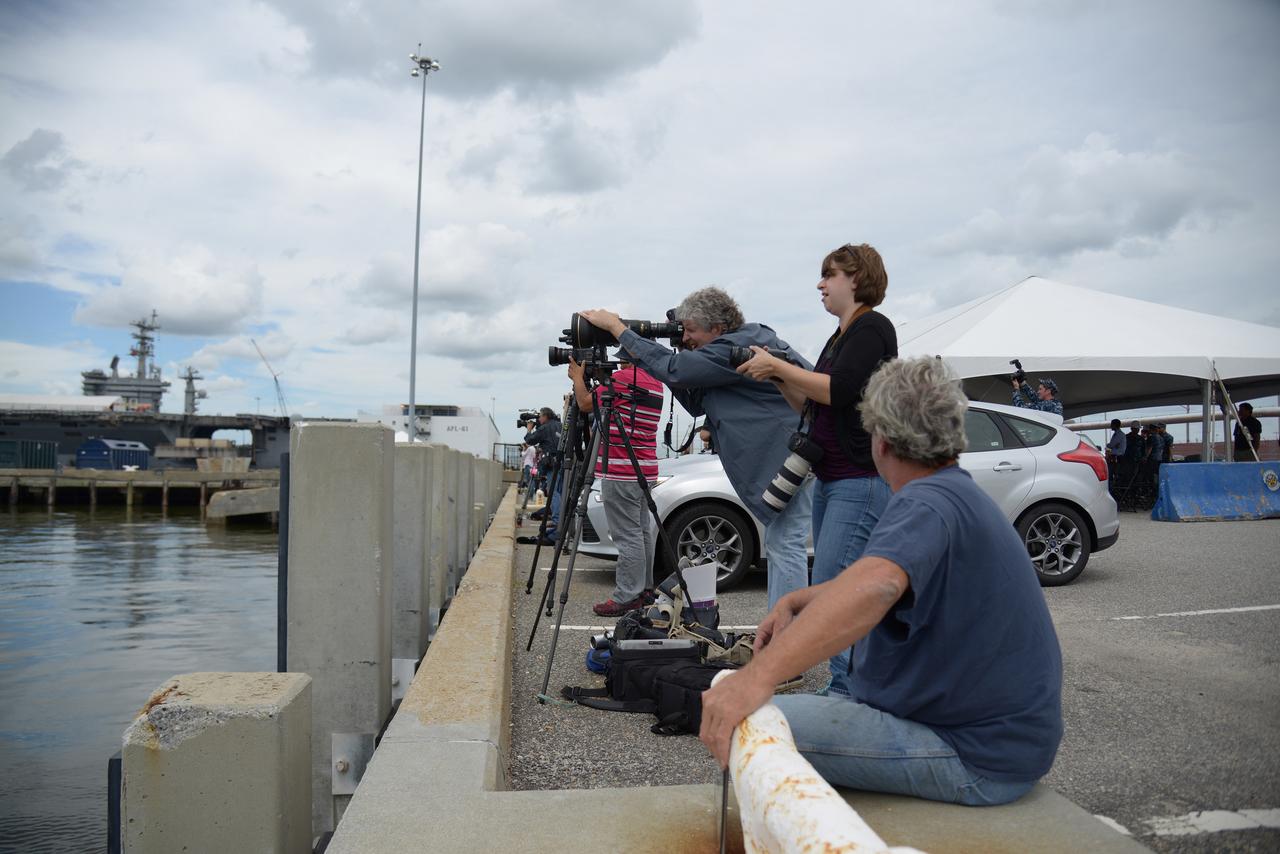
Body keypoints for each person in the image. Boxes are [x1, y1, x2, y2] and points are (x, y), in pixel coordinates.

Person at [699, 356, 1063, 806]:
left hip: (972, 756)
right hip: (1001, 744)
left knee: (744, 720)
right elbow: (887, 578)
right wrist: (803, 598)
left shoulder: (925, 503)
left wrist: (757, 678)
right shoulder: (954, 492)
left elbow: (878, 584)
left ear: (882, 440)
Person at [579, 288, 813, 609]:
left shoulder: (736, 346)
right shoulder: (733, 348)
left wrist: (620, 330)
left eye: (690, 331)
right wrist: (657, 353)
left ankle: (788, 639)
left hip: (792, 458)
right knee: (782, 544)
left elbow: (677, 371)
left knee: (785, 546)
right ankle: (783, 634)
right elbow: (693, 398)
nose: (686, 338)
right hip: (789, 458)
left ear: (717, 328)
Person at [735, 243, 896, 696]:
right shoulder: (839, 337)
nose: (821, 284)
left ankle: (848, 692)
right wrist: (779, 376)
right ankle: (852, 685)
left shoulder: (872, 328)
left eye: (830, 275)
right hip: (833, 479)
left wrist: (781, 365)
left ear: (857, 280)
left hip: (857, 480)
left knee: (833, 592)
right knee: (836, 588)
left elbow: (840, 391)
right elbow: (810, 403)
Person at [567, 356, 664, 616]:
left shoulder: (622, 380)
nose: (618, 365)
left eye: (620, 360)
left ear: (625, 360)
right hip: (645, 468)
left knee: (628, 536)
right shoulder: (655, 382)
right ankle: (644, 589)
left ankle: (627, 596)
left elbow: (586, 404)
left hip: (621, 471)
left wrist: (578, 378)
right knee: (641, 532)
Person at [523, 407, 562, 532]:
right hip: (563, 462)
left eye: (540, 416)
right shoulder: (560, 425)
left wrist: (529, 429)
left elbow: (530, 440)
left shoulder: (545, 428)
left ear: (545, 416)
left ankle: (556, 522)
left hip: (552, 464)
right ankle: (559, 519)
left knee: (553, 492)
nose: (539, 419)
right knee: (560, 492)